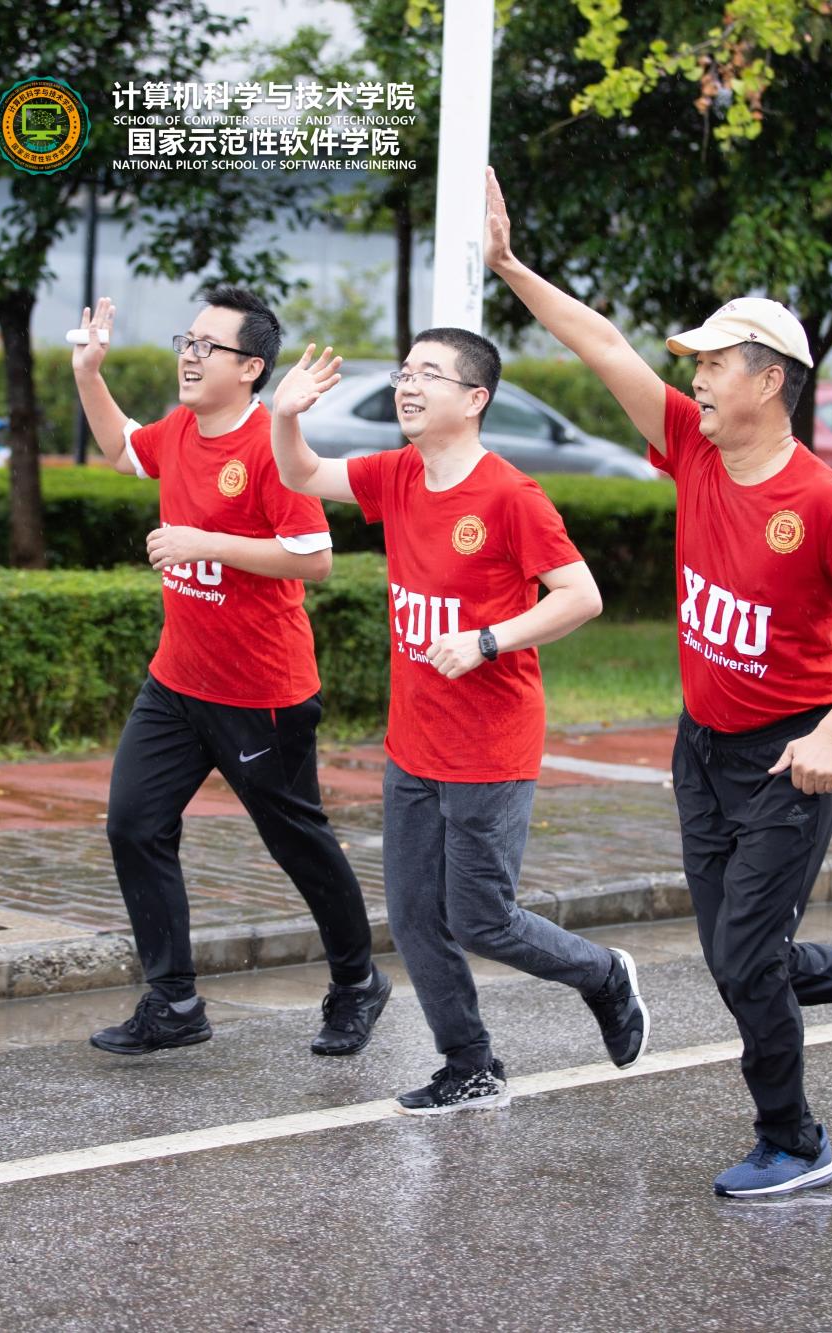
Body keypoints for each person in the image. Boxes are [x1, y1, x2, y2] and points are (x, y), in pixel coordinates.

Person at [482, 167, 832, 1197]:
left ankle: (795, 1139)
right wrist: (511, 267)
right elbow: (604, 346)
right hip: (703, 747)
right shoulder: (690, 445)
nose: (694, 379)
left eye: (714, 364)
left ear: (768, 380)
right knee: (738, 955)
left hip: (789, 755)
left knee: (746, 959)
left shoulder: (823, 504)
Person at [269, 327, 649, 1115]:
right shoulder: (397, 473)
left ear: (475, 399)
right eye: (405, 371)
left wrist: (487, 640)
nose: (408, 386)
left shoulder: (511, 495)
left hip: (490, 744)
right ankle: (469, 1063)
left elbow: (581, 596)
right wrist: (285, 413)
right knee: (413, 917)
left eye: (429, 375)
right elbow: (300, 471)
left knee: (481, 918)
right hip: (414, 741)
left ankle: (605, 974)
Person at [70, 288, 389, 1061]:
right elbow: (123, 449)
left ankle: (357, 982)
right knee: (134, 824)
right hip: (176, 683)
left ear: (250, 368)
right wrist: (88, 373)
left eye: (207, 346)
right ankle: (174, 1000)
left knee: (298, 845)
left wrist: (202, 542)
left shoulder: (269, 447)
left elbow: (314, 558)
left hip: (262, 694)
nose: (189, 355)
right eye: (187, 340)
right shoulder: (181, 428)